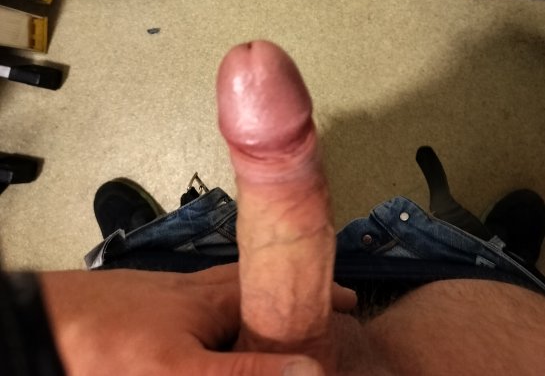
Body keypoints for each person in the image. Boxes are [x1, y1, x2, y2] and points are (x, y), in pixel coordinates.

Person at [3, 40, 545, 375]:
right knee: (494, 291)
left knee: (146, 272)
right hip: (462, 305)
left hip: (145, 320)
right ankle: (492, 255)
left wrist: (21, 341)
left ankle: (149, 249)